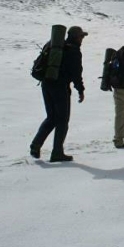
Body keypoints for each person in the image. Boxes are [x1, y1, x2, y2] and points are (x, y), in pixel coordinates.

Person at [30, 26, 87, 162]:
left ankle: (35, 145)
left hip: (46, 84)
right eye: (81, 36)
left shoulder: (55, 45)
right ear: (76, 37)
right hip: (60, 87)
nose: (82, 39)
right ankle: (57, 153)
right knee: (62, 120)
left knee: (51, 118)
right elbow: (76, 73)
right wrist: (80, 90)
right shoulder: (73, 51)